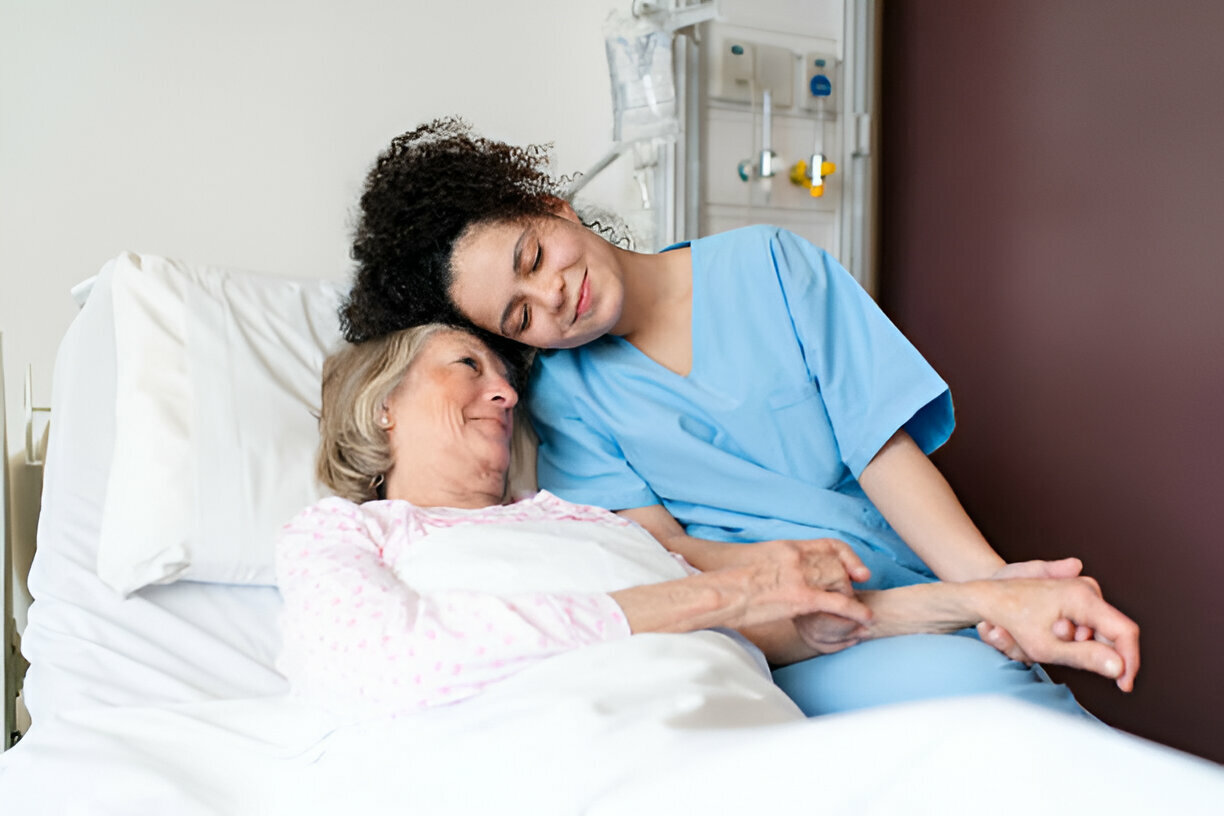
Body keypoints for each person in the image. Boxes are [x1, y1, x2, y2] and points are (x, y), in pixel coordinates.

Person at [336, 117, 1131, 718]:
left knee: (1017, 692)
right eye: (519, 316)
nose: (552, 297)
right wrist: (774, 573)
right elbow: (659, 550)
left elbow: (882, 451)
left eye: (534, 258)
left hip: (910, 588)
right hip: (783, 640)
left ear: (551, 207)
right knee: (984, 700)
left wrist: (995, 585)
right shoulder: (569, 399)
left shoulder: (771, 268)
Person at [276, 324, 1139, 721]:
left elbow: (789, 622)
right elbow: (386, 664)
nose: (504, 392)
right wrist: (722, 597)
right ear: (381, 405)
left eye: (505, 376)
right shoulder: (347, 535)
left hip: (751, 747)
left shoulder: (586, 523)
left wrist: (994, 598)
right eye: (468, 366)